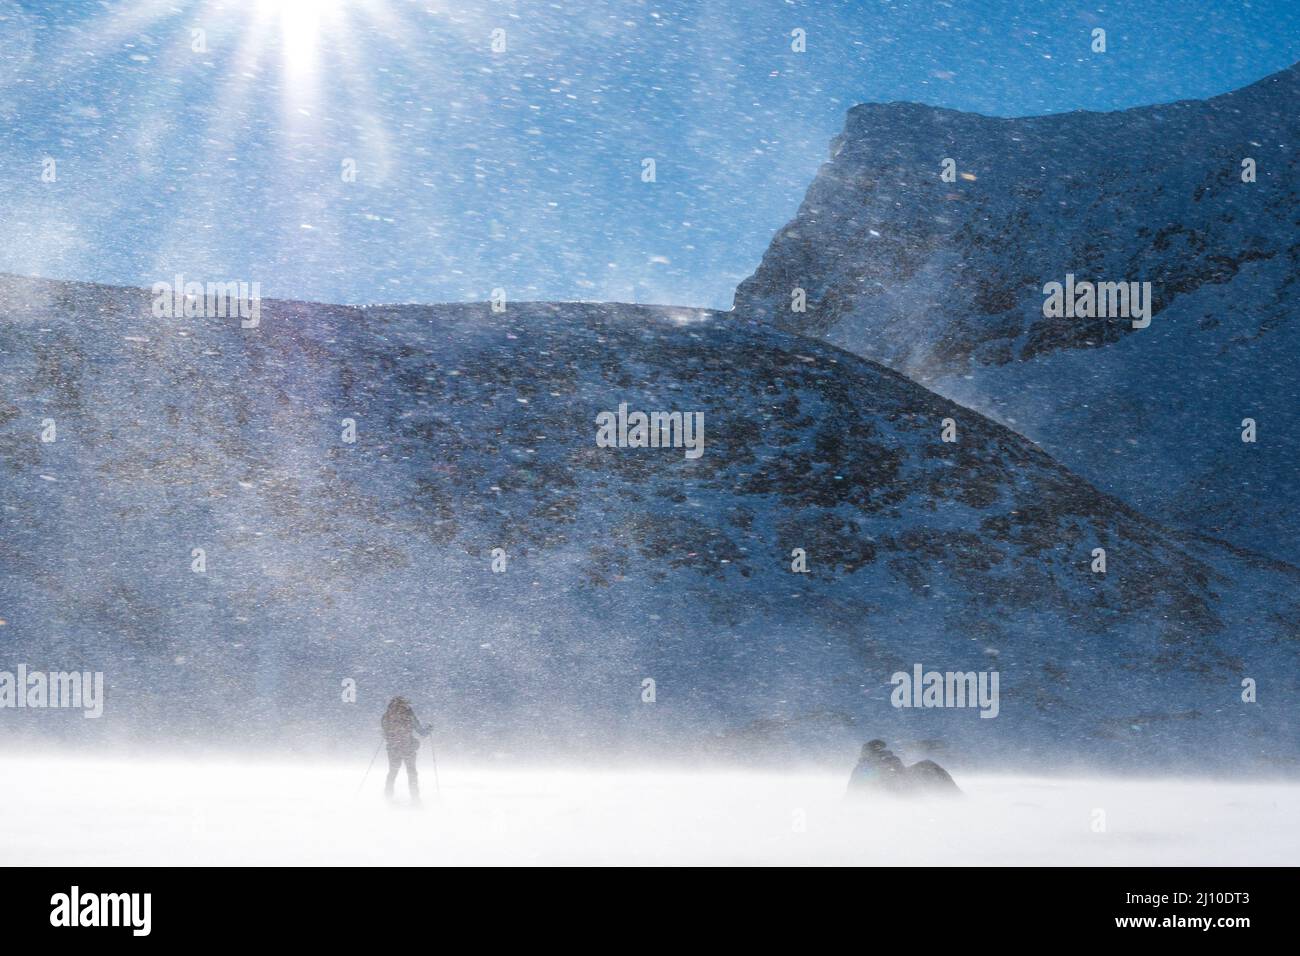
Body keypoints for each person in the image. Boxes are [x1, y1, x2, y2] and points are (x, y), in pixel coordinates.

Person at [846, 739, 959, 797]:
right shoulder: (865, 768)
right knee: (928, 766)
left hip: (906, 794)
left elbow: (903, 775)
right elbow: (853, 793)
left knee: (928, 765)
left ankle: (955, 797)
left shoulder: (889, 760)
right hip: (898, 799)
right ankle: (955, 798)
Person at [381, 696, 430, 802]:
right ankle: (415, 798)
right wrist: (429, 729)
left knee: (392, 772)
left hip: (393, 748)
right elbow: (421, 732)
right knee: (412, 772)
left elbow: (384, 733)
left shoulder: (387, 715)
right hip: (408, 748)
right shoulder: (408, 714)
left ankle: (388, 796)